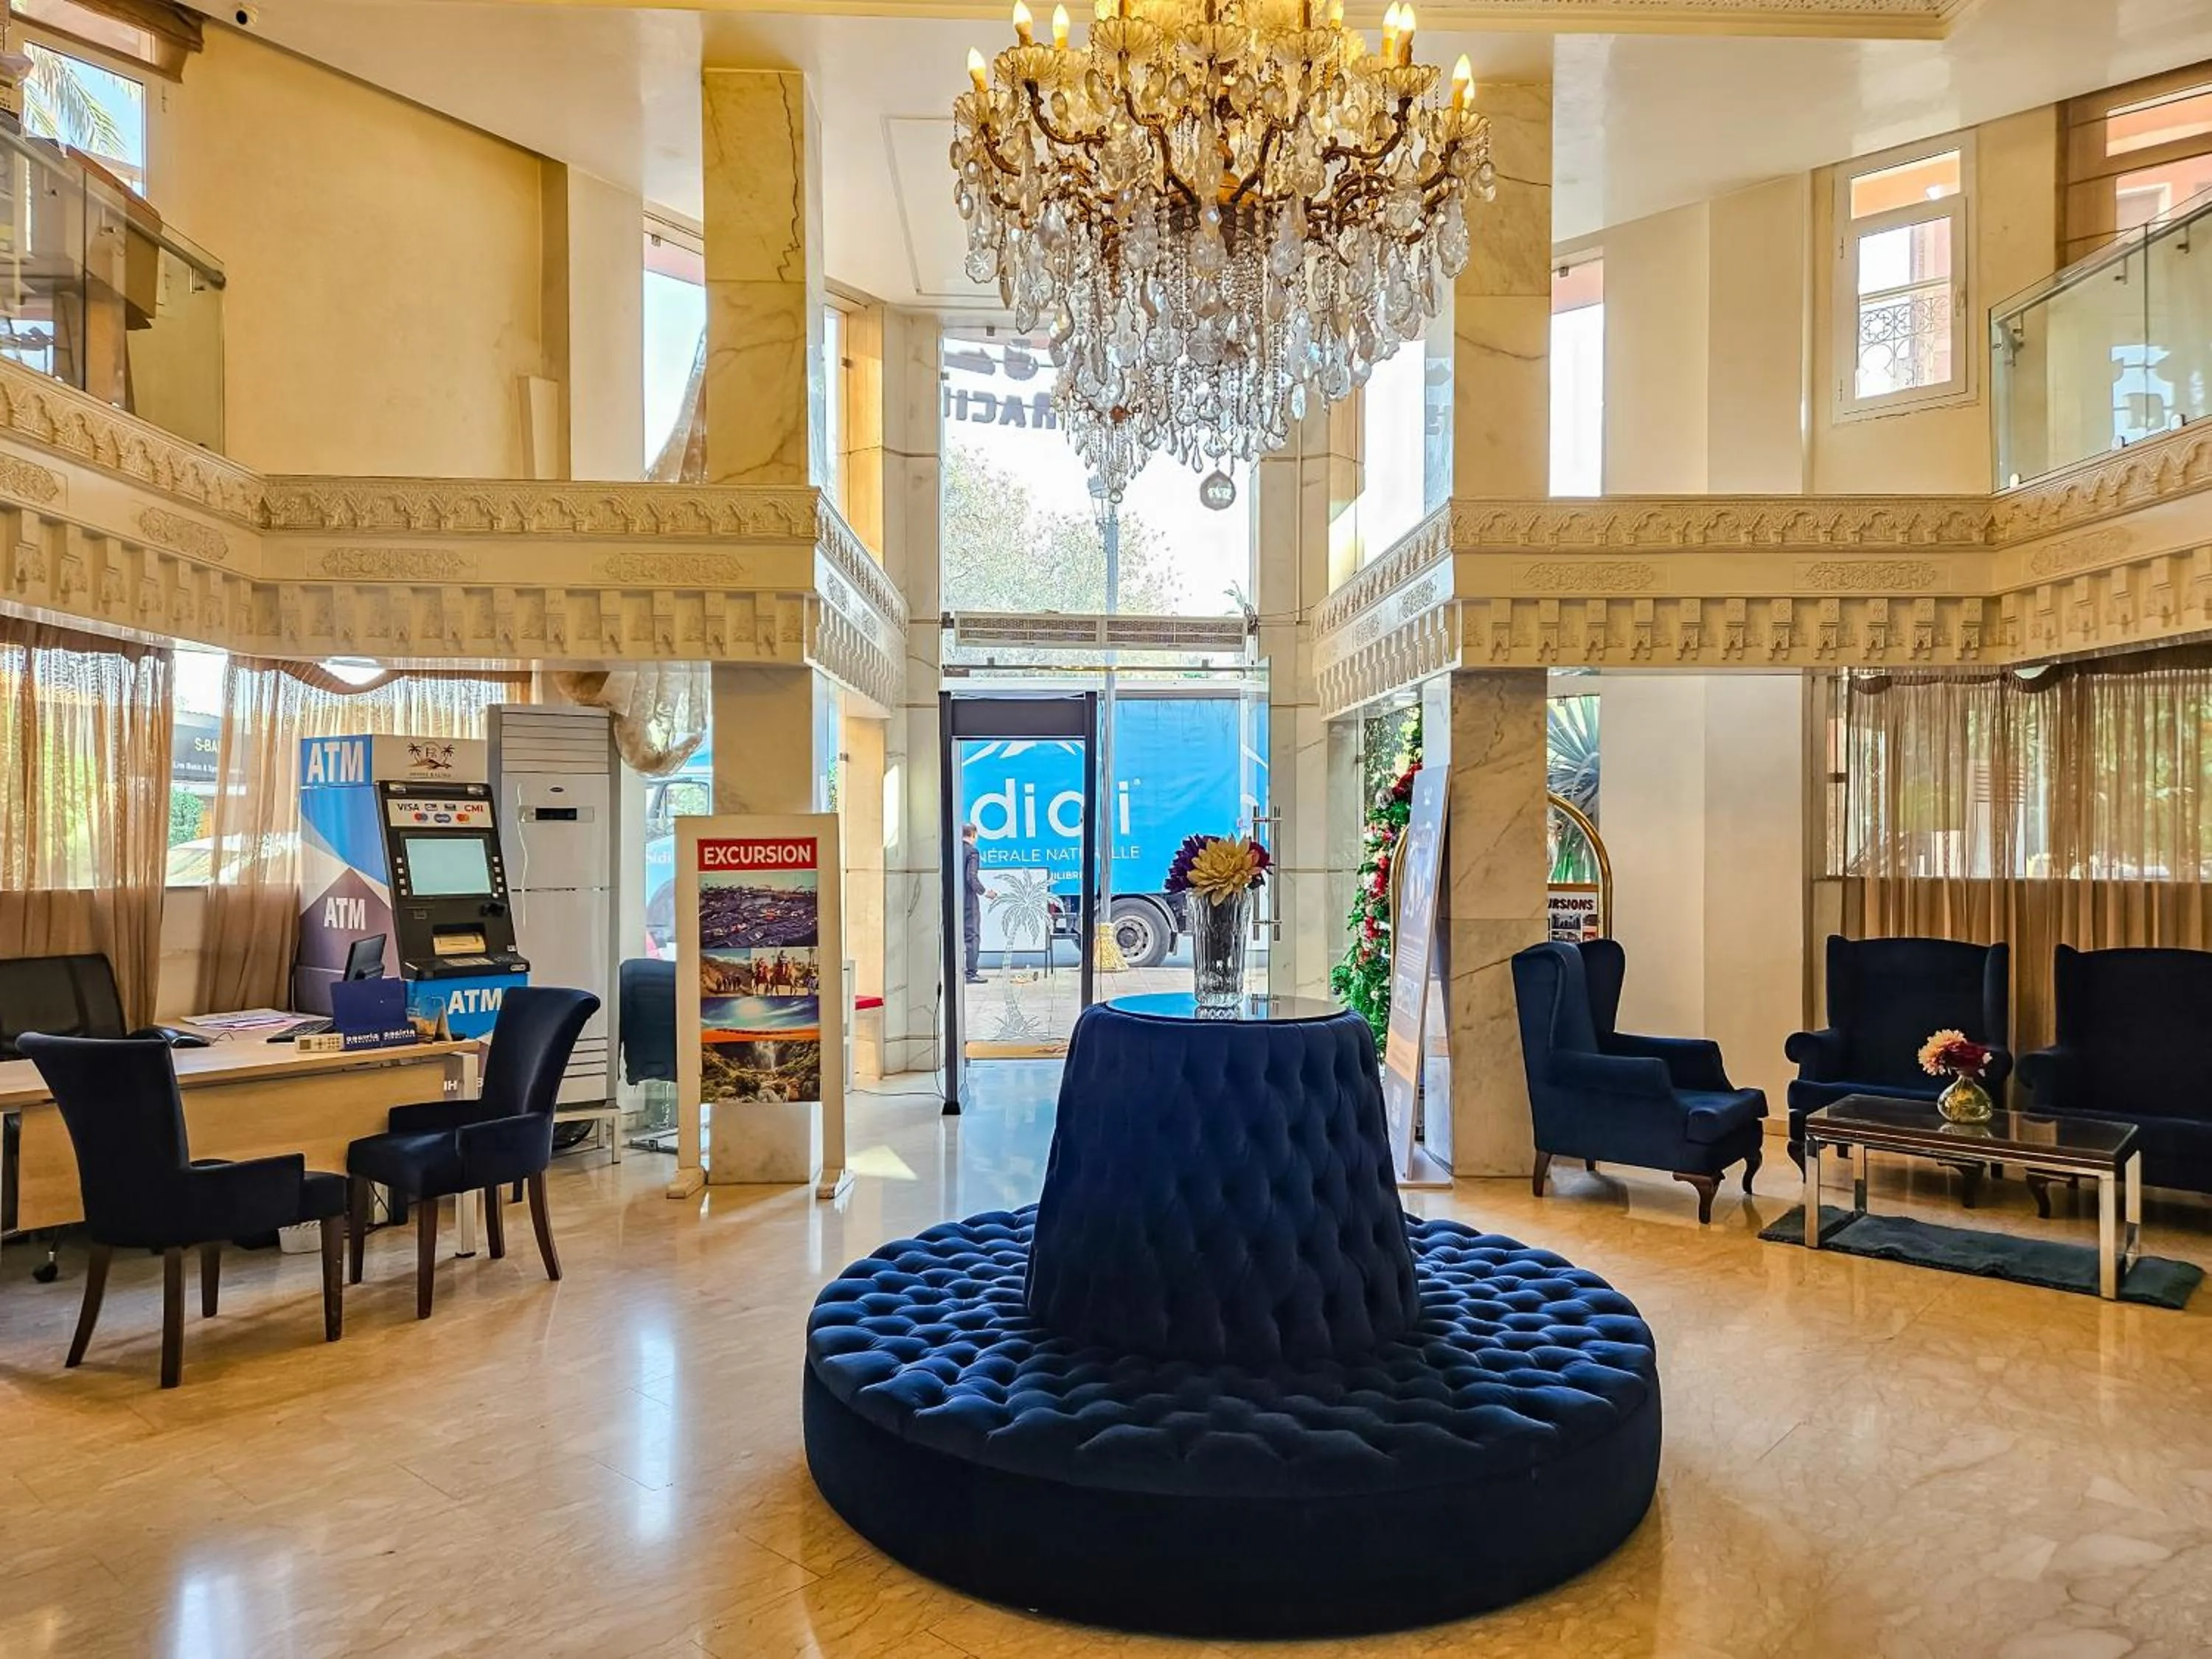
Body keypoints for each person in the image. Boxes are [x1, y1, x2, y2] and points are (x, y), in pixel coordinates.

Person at [961, 823, 987, 985]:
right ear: (973, 834)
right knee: (972, 936)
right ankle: (971, 972)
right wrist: (984, 892)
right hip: (969, 900)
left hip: (954, 900)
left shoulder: (954, 851)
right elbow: (971, 877)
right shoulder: (973, 851)